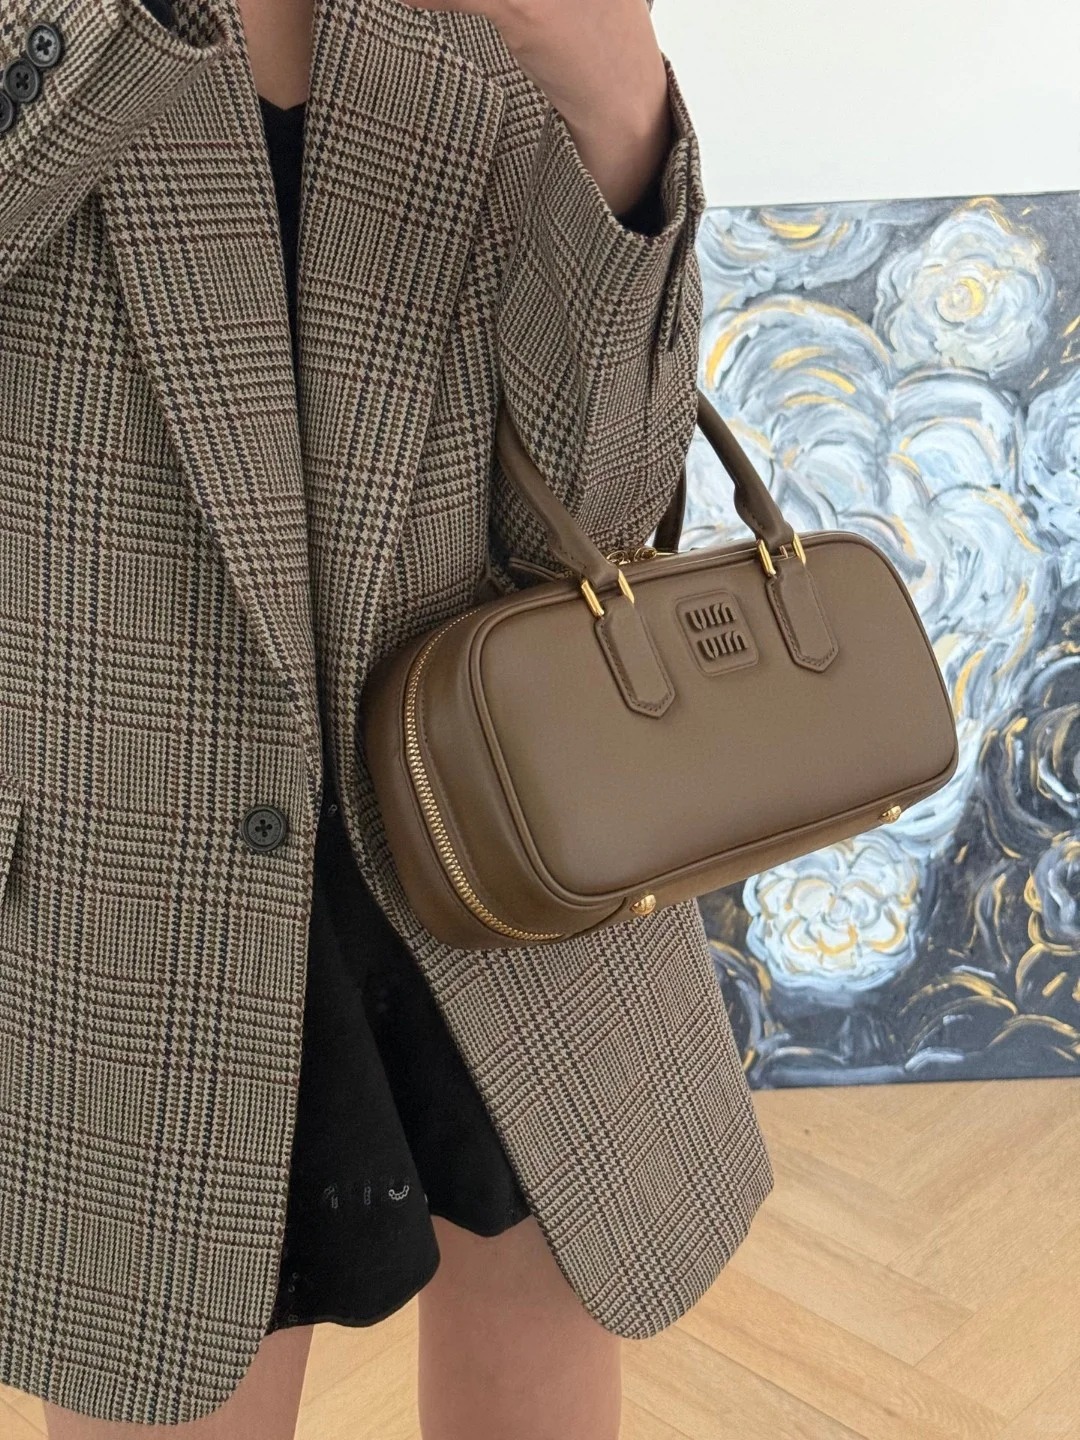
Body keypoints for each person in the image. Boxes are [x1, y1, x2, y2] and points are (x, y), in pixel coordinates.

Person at [0, 0, 774, 1433]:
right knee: (179, 1376)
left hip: (502, 818)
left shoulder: (475, 35)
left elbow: (596, 513)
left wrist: (616, 108)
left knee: (540, 1326)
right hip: (124, 864)